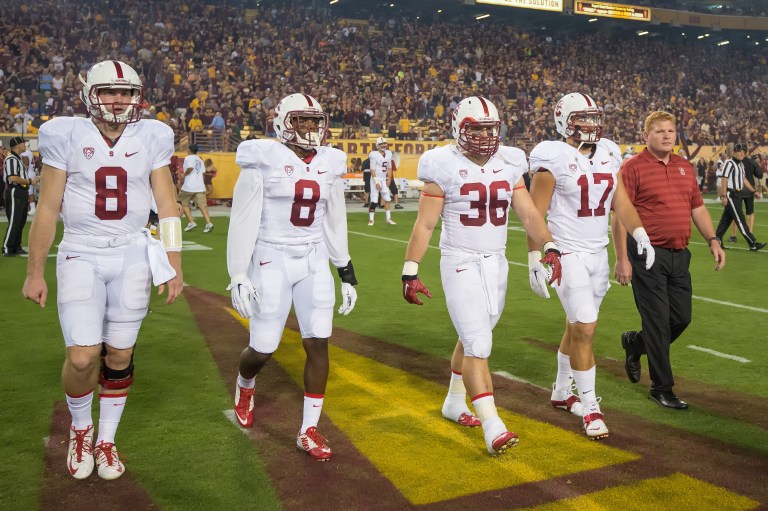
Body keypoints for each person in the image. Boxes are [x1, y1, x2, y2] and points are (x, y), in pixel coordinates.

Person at [22, 60, 184, 480]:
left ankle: (107, 439)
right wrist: (34, 270)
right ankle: (81, 428)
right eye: (109, 92)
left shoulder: (152, 135)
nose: (118, 100)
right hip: (81, 251)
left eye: (126, 93)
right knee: (82, 356)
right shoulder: (65, 134)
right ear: (89, 94)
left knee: (121, 354)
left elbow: (166, 206)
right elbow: (47, 207)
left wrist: (173, 263)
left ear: (137, 96)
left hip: (132, 253)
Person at [401, 96, 562, 455]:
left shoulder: (509, 161)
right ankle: (493, 425)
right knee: (479, 343)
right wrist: (410, 270)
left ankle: (454, 402)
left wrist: (549, 245)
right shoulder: (442, 164)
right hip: (460, 260)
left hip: (497, 262)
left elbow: (530, 214)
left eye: (490, 127)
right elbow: (425, 224)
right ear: (459, 129)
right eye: (476, 128)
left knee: (475, 334)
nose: (485, 135)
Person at [227, 93, 358, 461]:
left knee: (318, 341)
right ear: (284, 122)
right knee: (264, 347)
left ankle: (308, 429)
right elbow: (242, 218)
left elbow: (334, 218)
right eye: (302, 120)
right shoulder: (262, 158)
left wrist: (345, 270)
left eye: (315, 121)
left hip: (313, 255)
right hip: (271, 254)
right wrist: (239, 271)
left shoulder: (330, 161)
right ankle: (245, 383)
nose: (311, 128)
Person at [527, 93, 655, 440]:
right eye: (584, 119)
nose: (592, 125)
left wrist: (639, 232)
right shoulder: (551, 157)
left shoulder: (610, 152)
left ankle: (559, 390)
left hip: (597, 255)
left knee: (576, 326)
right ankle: (590, 407)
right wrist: (534, 257)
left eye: (595, 118)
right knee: (585, 328)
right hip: (566, 253)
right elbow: (533, 214)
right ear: (564, 121)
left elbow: (620, 201)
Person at [612, 110, 726, 410]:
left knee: (681, 318)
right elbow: (620, 215)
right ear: (645, 136)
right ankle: (662, 387)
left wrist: (713, 240)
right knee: (659, 323)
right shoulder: (632, 168)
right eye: (659, 131)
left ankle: (636, 344)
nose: (666, 135)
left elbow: (698, 207)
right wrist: (622, 258)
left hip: (679, 255)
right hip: (646, 256)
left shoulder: (684, 167)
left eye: (671, 131)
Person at [715, 144, 765, 251]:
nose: (742, 153)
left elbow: (744, 180)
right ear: (734, 153)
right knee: (740, 219)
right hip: (731, 194)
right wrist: (724, 196)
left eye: (743, 151)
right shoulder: (729, 163)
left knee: (726, 219)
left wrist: (753, 191)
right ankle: (753, 244)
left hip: (738, 194)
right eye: (739, 151)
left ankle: (717, 240)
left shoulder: (741, 164)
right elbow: (724, 179)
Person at [4, 136, 38, 255]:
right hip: (15, 190)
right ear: (18, 145)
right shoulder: (11, 159)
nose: (25, 145)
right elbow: (12, 177)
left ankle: (16, 246)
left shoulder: (17, 158)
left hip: (21, 191)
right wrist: (29, 181)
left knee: (20, 221)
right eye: (23, 143)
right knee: (14, 221)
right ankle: (7, 248)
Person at [178, 144, 214, 233]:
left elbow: (190, 167)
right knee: (203, 206)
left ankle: (191, 222)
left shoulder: (188, 158)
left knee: (183, 203)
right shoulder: (200, 159)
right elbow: (203, 171)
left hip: (189, 186)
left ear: (189, 150)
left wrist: (184, 174)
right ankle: (208, 223)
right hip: (200, 186)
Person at [367, 136, 396, 226]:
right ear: (377, 145)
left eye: (384, 143)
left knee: (387, 199)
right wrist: (376, 181)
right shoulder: (373, 154)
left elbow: (390, 168)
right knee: (374, 201)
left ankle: (388, 218)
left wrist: (389, 179)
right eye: (381, 144)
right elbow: (372, 170)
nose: (383, 145)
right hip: (376, 178)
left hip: (384, 178)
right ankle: (371, 219)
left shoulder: (389, 153)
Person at [21, 141, 37, 215]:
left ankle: (32, 208)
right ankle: (32, 208)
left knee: (29, 192)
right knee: (30, 192)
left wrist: (24, 173)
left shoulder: (25, 153)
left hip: (28, 173)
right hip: (31, 172)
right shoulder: (30, 152)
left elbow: (26, 162)